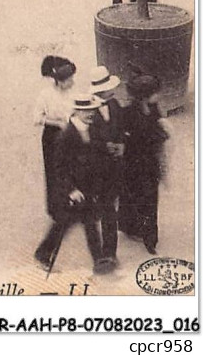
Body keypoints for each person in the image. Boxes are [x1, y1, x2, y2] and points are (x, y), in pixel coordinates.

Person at [34, 93, 117, 275]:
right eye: (86, 111)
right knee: (64, 223)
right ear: (77, 111)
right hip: (74, 190)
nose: (90, 114)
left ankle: (98, 260)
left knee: (85, 223)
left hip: (88, 187)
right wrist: (71, 189)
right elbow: (59, 168)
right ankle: (43, 253)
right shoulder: (66, 136)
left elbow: (96, 151)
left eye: (92, 110)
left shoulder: (92, 129)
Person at [120, 74, 168, 255]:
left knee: (149, 199)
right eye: (156, 93)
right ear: (145, 96)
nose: (159, 95)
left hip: (149, 163)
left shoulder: (154, 108)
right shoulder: (130, 113)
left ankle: (150, 238)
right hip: (133, 162)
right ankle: (131, 227)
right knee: (134, 195)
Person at [89, 65, 125, 270]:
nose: (114, 90)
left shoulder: (114, 105)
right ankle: (106, 254)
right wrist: (104, 146)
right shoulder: (89, 110)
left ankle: (110, 252)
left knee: (110, 206)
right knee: (105, 208)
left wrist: (120, 143)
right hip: (97, 169)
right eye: (110, 88)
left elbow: (120, 128)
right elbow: (85, 139)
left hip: (114, 166)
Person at [34, 56, 77, 218]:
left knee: (70, 168)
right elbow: (37, 118)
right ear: (59, 81)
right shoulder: (46, 95)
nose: (72, 82)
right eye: (69, 80)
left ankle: (72, 203)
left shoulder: (72, 93)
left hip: (70, 134)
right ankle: (57, 209)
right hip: (52, 136)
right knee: (54, 170)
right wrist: (57, 123)